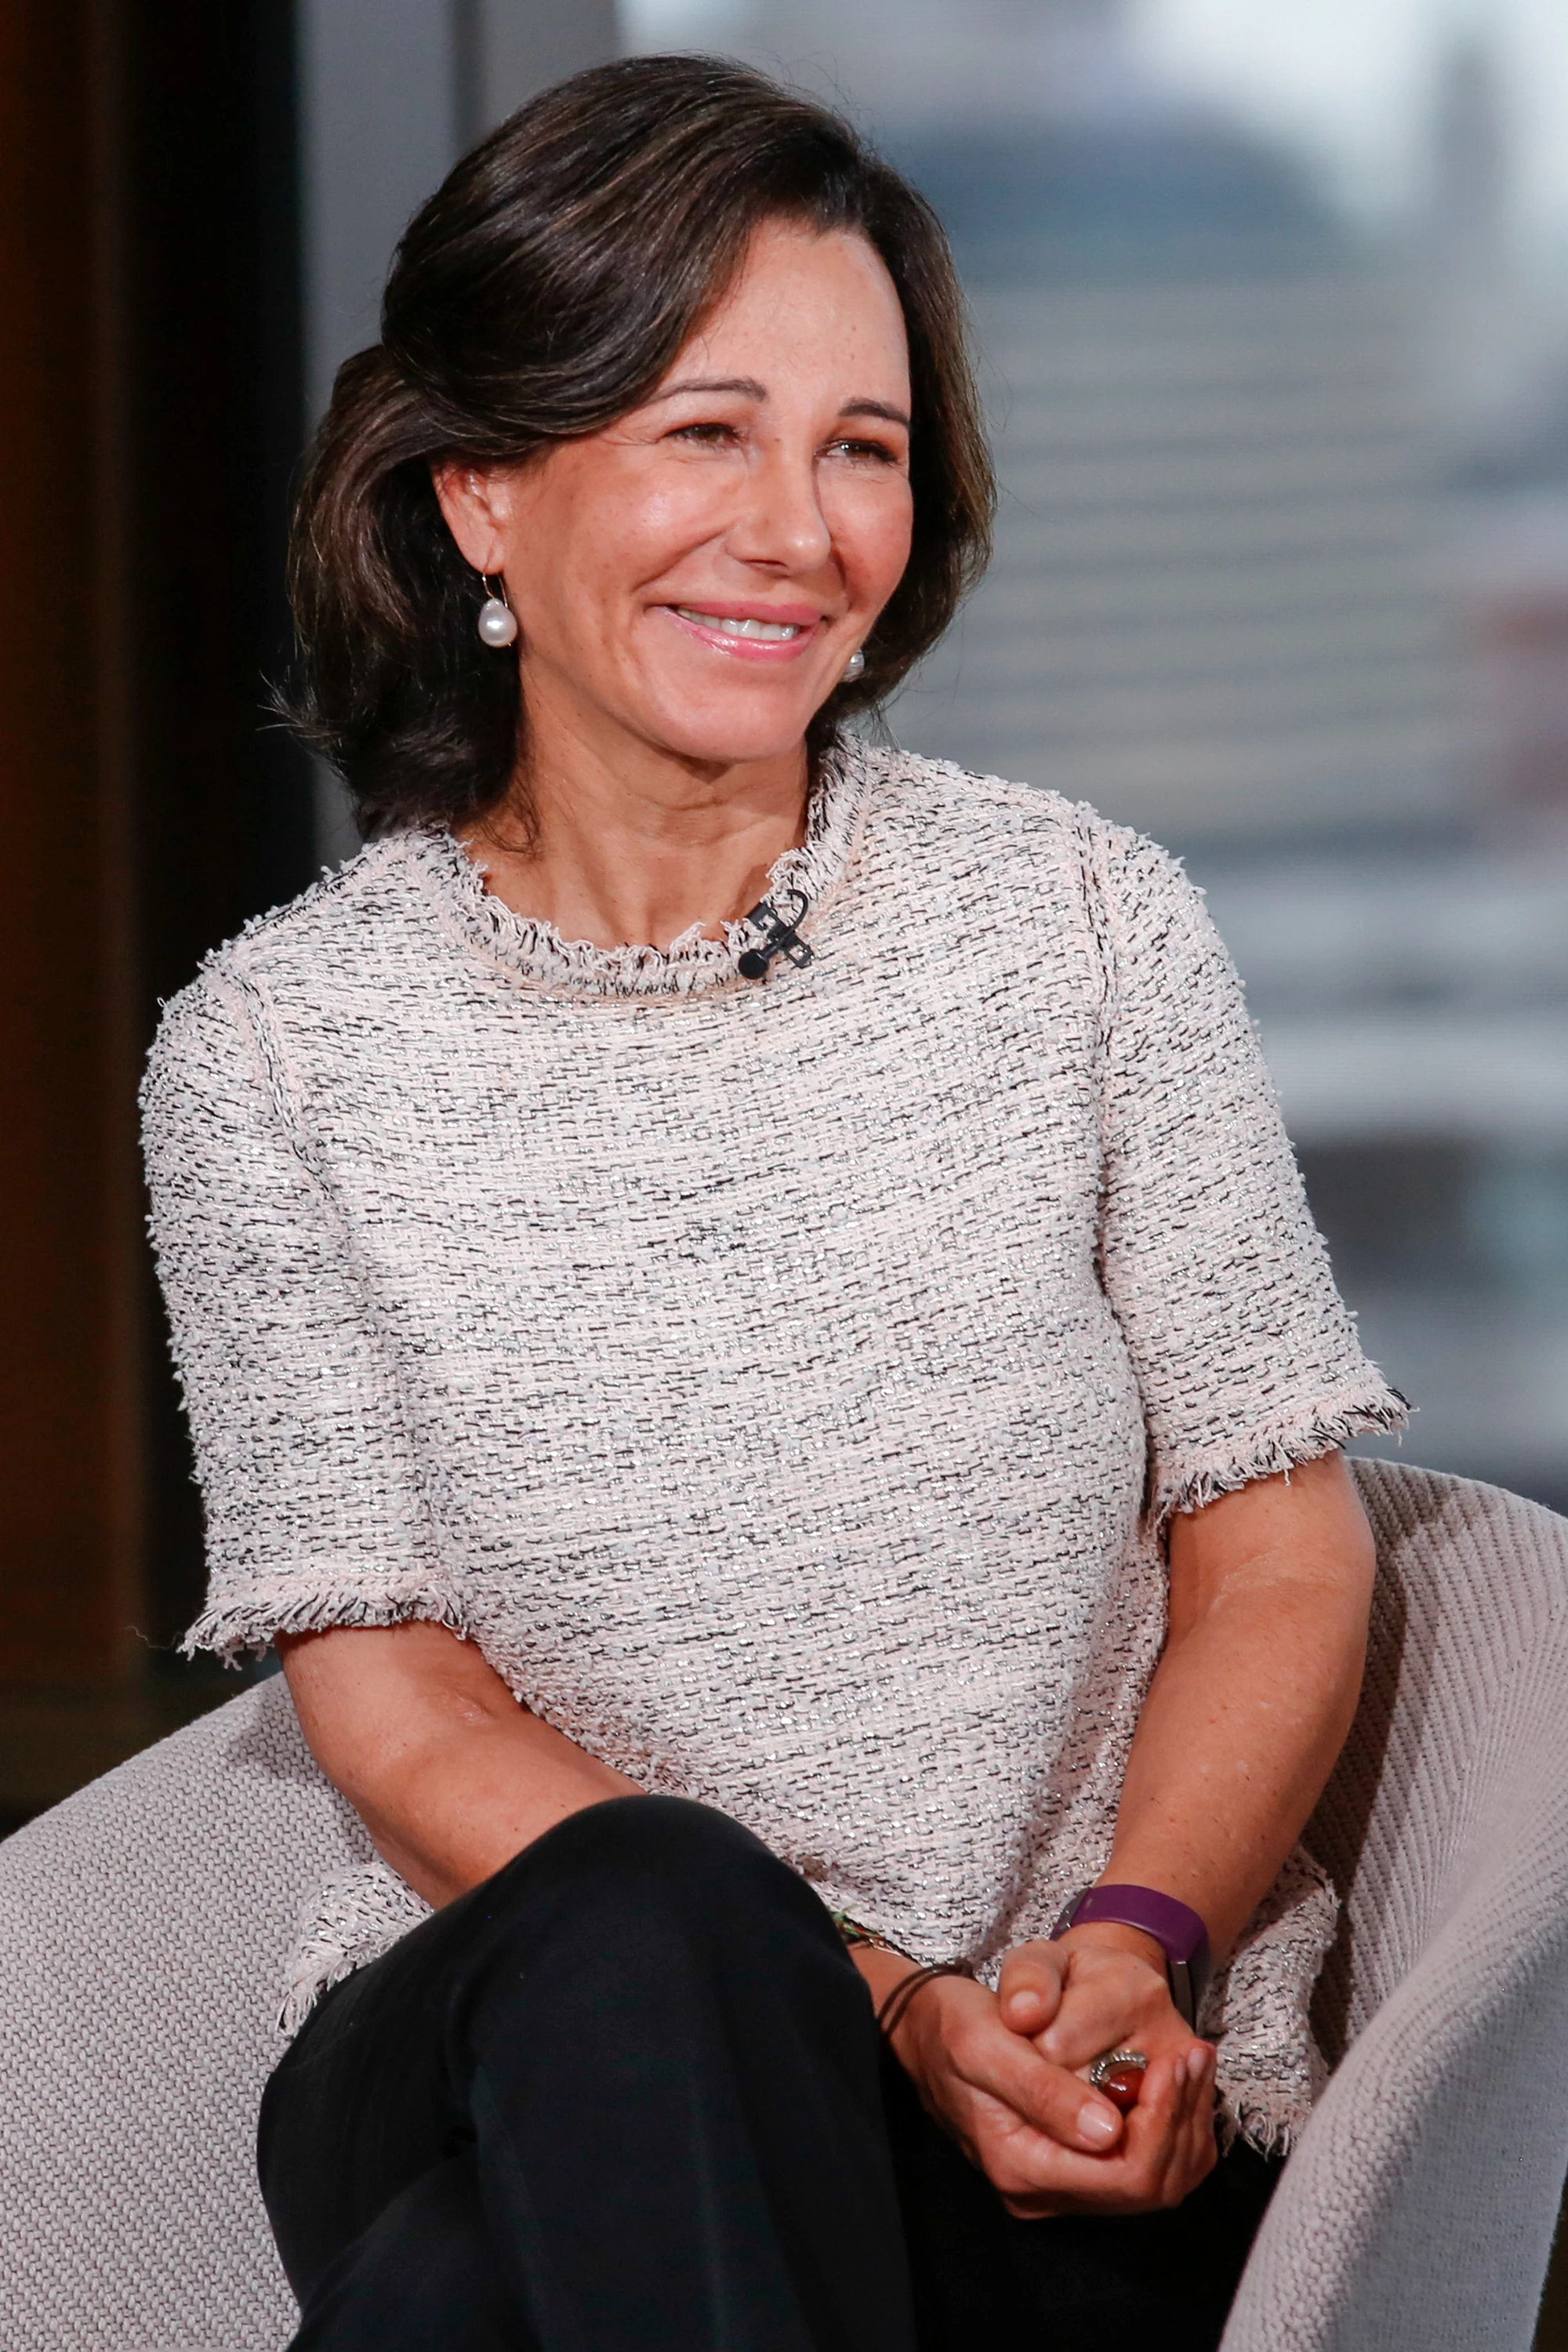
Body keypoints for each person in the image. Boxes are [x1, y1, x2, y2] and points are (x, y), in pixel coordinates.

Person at [141, 53, 1406, 2352]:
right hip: (484, 2039)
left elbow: (1280, 1545)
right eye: (703, 432)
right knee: (655, 1914)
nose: (801, 530)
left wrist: (1131, 1951)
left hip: (1052, 2082)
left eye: (864, 450)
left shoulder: (1081, 930)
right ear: (481, 496)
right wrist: (867, 1996)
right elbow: (397, 1700)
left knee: (450, 2314)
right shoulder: (275, 1053)